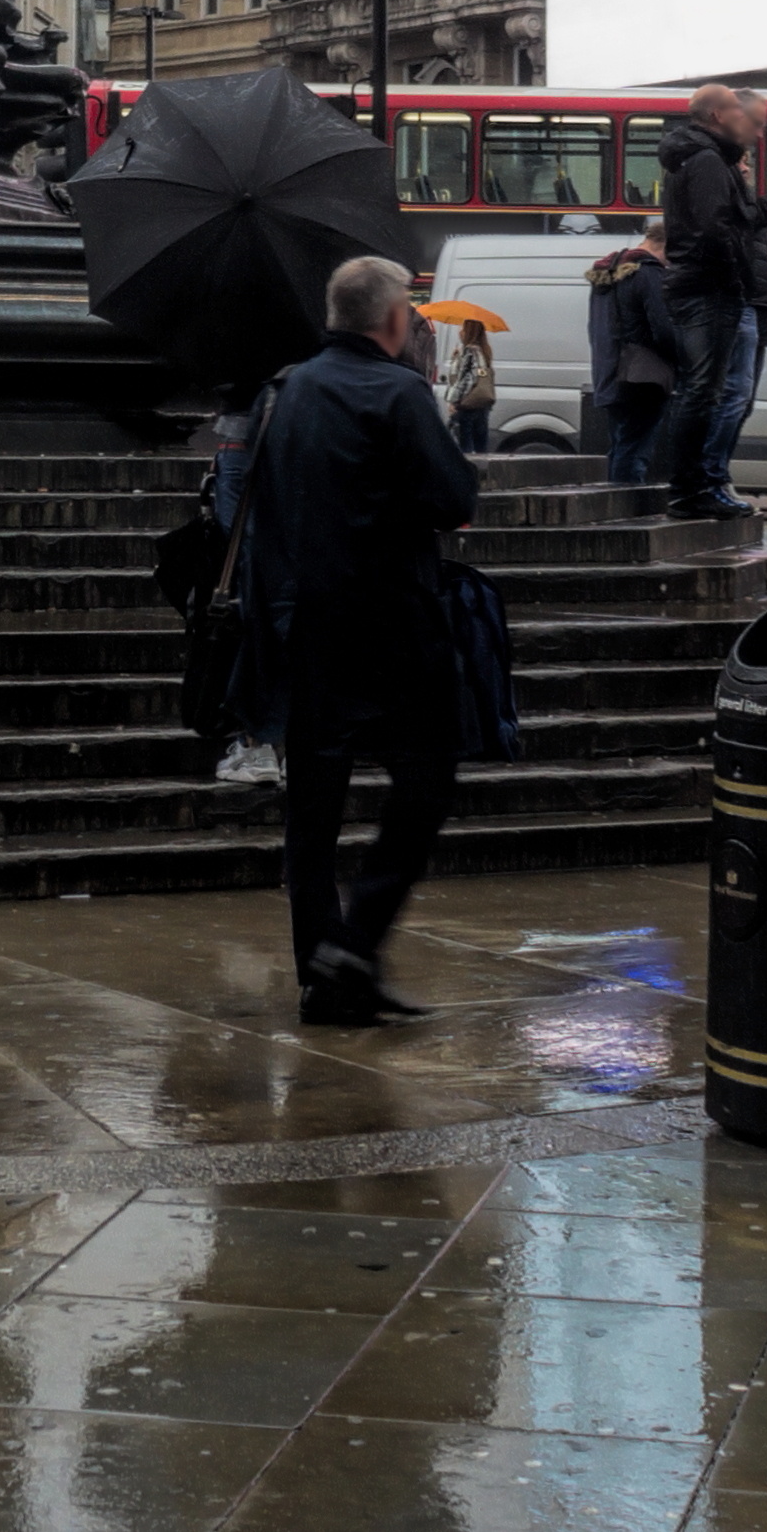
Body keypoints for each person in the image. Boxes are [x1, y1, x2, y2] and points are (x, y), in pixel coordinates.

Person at [234, 254, 482, 1024]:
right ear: (394, 320)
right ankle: (356, 944)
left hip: (305, 622)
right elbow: (453, 500)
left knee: (313, 806)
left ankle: (322, 971)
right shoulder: (400, 393)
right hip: (395, 624)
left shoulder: (285, 391)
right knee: (426, 780)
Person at [653, 86, 767, 523]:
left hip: (701, 285)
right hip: (710, 288)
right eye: (735, 111)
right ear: (715, 114)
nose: (743, 120)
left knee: (704, 390)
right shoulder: (706, 160)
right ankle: (692, 488)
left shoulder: (701, 157)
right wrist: (737, 274)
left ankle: (694, 486)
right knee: (704, 391)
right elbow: (714, 228)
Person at [586, 226, 678, 489]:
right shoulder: (649, 273)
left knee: (621, 444)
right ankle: (626, 510)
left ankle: (614, 508)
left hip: (609, 370)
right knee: (635, 450)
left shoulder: (608, 273)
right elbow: (663, 329)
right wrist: (685, 356)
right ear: (666, 246)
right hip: (643, 375)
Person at [436, 305, 497, 455]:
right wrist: (456, 357)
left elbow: (466, 379)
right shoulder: (484, 350)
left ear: (469, 331)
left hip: (467, 407)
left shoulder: (469, 351)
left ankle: (468, 476)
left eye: (462, 328)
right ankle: (482, 476)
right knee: (481, 448)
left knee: (465, 450)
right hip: (481, 406)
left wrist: (454, 401)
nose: (459, 331)